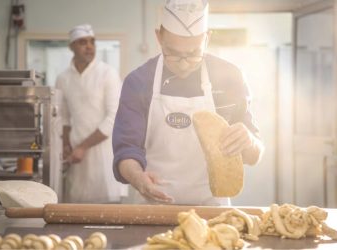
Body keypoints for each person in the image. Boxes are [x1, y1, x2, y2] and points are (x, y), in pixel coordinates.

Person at [112, 0, 264, 206]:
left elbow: (254, 154)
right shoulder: (138, 82)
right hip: (152, 207)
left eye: (193, 54)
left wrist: (249, 141)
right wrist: (138, 178)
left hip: (212, 209)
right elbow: (126, 150)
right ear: (159, 37)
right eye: (173, 53)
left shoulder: (230, 77)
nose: (183, 64)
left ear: (207, 39)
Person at [56, 24, 125, 203]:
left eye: (92, 42)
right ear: (71, 46)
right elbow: (63, 116)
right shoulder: (63, 78)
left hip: (102, 155)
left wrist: (83, 147)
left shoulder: (107, 74)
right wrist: (64, 143)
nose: (89, 46)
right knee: (76, 210)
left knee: (106, 212)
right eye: (82, 42)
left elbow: (113, 118)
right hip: (76, 160)